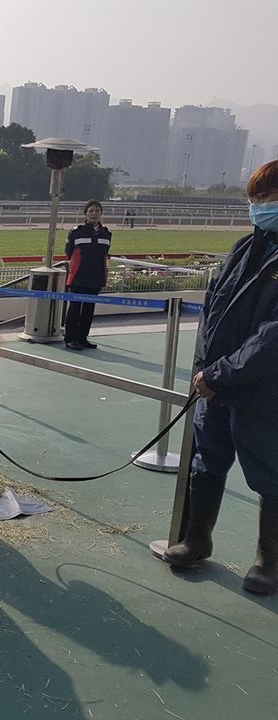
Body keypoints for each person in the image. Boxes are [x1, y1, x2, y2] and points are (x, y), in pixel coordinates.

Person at [162, 160, 278, 595]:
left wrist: (222, 373)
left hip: (261, 391)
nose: (257, 206)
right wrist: (202, 370)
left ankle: (269, 560)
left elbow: (273, 338)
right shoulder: (244, 248)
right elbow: (212, 312)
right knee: (207, 461)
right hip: (214, 385)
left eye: (265, 198)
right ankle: (197, 538)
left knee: (269, 471)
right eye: (254, 198)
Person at [64, 200, 111, 351]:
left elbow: (104, 254)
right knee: (75, 309)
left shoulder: (106, 233)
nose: (94, 213)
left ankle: (82, 338)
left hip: (96, 278)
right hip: (79, 277)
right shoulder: (76, 231)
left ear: (101, 213)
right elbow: (69, 252)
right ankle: (70, 338)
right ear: (86, 214)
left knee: (89, 310)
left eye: (97, 210)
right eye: (91, 211)